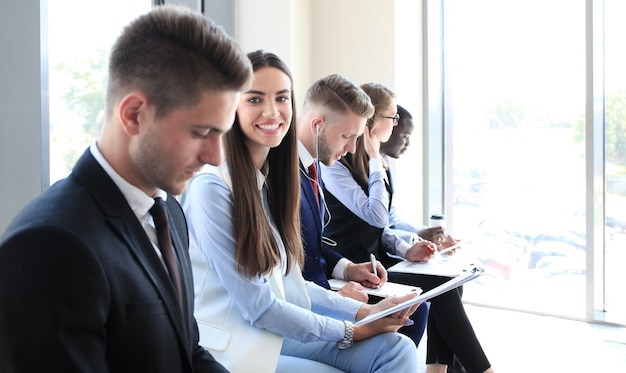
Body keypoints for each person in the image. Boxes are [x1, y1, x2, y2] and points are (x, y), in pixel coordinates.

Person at [0, 5, 252, 372]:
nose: (215, 157)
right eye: (201, 133)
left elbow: (189, 353)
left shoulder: (170, 214)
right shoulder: (49, 245)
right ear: (133, 114)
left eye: (222, 133)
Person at [183, 51, 420, 373]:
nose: (272, 111)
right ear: (231, 107)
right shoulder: (212, 189)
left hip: (270, 329)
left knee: (396, 350)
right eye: (255, 99)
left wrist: (365, 315)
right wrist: (351, 329)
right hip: (233, 343)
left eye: (282, 98)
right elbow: (259, 307)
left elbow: (290, 284)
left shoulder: (269, 183)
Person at [320, 83, 495, 373]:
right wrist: (375, 157)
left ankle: (440, 369)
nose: (396, 122)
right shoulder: (337, 165)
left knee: (449, 281)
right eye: (393, 117)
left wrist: (406, 248)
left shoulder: (379, 164)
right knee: (442, 289)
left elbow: (382, 226)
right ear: (374, 121)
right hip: (355, 264)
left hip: (379, 260)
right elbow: (375, 216)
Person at [296, 74, 429, 344]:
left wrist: (348, 269)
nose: (351, 147)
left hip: (331, 281)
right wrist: (337, 296)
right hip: (309, 300)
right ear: (318, 125)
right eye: (347, 136)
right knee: (398, 344)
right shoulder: (292, 174)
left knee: (416, 310)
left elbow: (311, 246)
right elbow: (288, 266)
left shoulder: (313, 168)